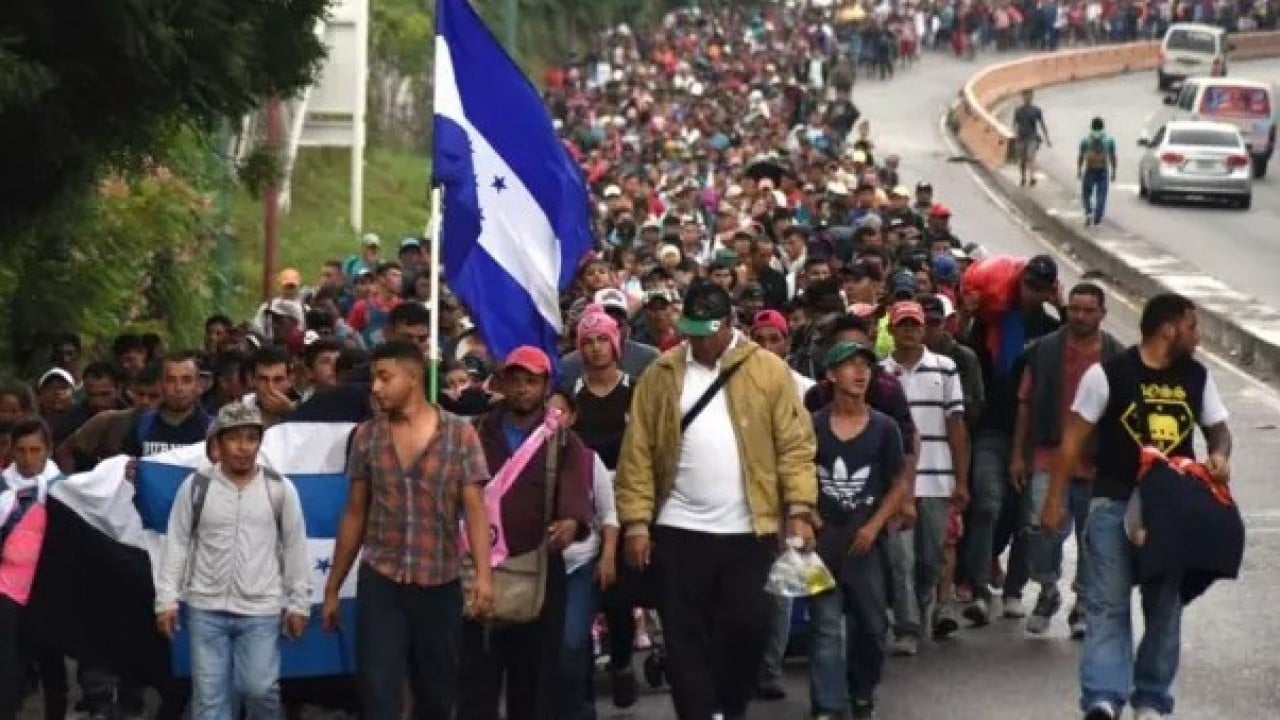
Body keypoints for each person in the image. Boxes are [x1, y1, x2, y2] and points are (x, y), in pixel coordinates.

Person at [616, 278, 817, 720]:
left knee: (748, 628)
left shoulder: (767, 371)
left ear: (729, 324)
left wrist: (800, 509)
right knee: (685, 637)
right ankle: (698, 712)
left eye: (708, 331)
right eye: (692, 330)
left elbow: (795, 445)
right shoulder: (662, 374)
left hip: (749, 530)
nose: (700, 341)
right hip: (678, 530)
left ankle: (728, 706)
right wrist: (635, 523)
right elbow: (638, 452)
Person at [1041, 293, 1232, 720]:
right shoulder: (1108, 375)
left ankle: (1151, 698)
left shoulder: (1197, 377)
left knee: (1165, 606)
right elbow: (1071, 442)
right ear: (1168, 328)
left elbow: (1218, 429)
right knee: (1107, 603)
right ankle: (1103, 698)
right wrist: (1054, 501)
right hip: (1113, 503)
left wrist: (1219, 456)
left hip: (1170, 512)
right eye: (1192, 326)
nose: (1196, 336)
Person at [322, 339, 494, 720]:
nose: (376, 388)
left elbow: (475, 511)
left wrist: (483, 576)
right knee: (379, 692)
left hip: (440, 582)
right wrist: (333, 586)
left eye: (385, 378)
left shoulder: (459, 435)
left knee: (436, 696)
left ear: (413, 378)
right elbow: (354, 514)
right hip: (381, 581)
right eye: (373, 379)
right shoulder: (367, 437)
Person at [153, 401, 312, 720]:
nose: (243, 448)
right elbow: (177, 542)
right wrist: (166, 600)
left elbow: (295, 547)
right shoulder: (197, 486)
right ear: (218, 444)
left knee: (260, 689)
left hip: (260, 610)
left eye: (251, 438)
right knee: (210, 704)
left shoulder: (279, 489)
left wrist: (299, 604)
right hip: (205, 608)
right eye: (234, 438)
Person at [459, 345, 593, 720]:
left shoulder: (563, 440)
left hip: (538, 571)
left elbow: (575, 488)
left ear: (546, 385)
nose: (521, 388)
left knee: (533, 683)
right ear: (501, 382)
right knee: (476, 680)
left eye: (530, 381)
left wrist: (571, 520)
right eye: (514, 379)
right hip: (479, 568)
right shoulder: (475, 432)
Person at [1010, 282, 1124, 638]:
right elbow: (1025, 404)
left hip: (1098, 462)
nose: (1081, 316)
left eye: (1089, 310)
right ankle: (1047, 590)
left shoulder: (1117, 358)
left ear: (1103, 314)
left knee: (1095, 538)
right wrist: (1018, 454)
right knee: (1042, 531)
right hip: (1050, 454)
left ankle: (1083, 605)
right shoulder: (1044, 351)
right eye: (1075, 308)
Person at [808, 341, 909, 720]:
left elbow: (899, 483)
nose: (859, 373)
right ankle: (828, 704)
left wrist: (874, 526)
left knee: (872, 625)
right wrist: (804, 516)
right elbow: (795, 474)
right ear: (831, 375)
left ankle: (862, 689)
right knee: (825, 627)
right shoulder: (812, 426)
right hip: (822, 546)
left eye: (865, 366)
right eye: (849, 365)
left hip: (867, 546)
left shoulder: (885, 429)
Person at [881, 300, 969, 655]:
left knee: (931, 556)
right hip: (897, 482)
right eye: (902, 324)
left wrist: (961, 479)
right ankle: (907, 624)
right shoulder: (879, 374)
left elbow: (956, 426)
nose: (909, 330)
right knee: (900, 558)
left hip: (937, 477)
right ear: (891, 330)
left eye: (915, 325)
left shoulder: (946, 369)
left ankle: (920, 607)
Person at [0, 418, 68, 720]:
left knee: (51, 657)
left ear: (48, 450)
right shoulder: (2, 488)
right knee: (6, 661)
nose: (28, 459)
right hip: (7, 588)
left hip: (48, 588)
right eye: (21, 450)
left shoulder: (65, 491)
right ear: (11, 451)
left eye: (35, 450)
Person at [1077, 117, 1117, 227]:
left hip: (1090, 169)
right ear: (1103, 127)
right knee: (1102, 194)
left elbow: (1081, 156)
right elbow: (1113, 156)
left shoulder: (1085, 140)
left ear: (1091, 126)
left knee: (1086, 193)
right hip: (1103, 170)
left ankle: (1089, 212)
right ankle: (1098, 216)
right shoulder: (1109, 140)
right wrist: (1114, 171)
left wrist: (1079, 170)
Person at [1013, 89, 1052, 186]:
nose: (1028, 98)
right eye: (1026, 96)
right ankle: (1023, 177)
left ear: (1032, 97)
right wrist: (1015, 134)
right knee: (1022, 160)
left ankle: (1032, 177)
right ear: (1023, 97)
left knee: (1031, 157)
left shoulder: (1036, 110)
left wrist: (1047, 138)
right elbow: (1015, 124)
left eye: (1029, 96)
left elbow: (1042, 124)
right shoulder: (1018, 110)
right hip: (1021, 138)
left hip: (1032, 137)